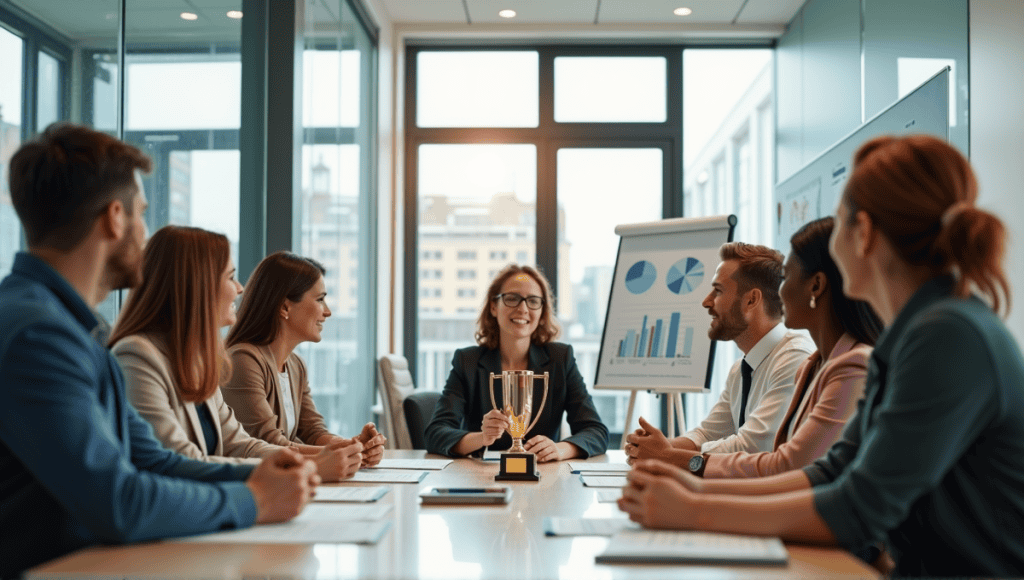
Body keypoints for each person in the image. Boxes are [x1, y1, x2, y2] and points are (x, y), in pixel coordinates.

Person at [619, 135, 1024, 577]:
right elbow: (833, 471)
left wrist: (694, 508)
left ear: (864, 233)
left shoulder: (947, 336)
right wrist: (694, 488)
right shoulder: (915, 334)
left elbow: (859, 509)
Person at [0, 124, 317, 579]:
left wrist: (265, 474)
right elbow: (117, 501)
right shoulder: (39, 336)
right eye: (142, 214)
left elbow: (154, 461)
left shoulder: (74, 331)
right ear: (114, 217)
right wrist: (257, 499)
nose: (147, 236)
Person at [625, 217, 881, 478]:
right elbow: (721, 438)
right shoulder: (805, 364)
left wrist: (672, 459)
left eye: (787, 277)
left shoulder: (812, 360)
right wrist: (660, 450)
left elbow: (770, 456)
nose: (779, 293)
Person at [109, 227, 365, 481]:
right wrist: (313, 467)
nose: (240, 288)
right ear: (198, 285)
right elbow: (179, 461)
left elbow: (242, 445)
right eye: (231, 277)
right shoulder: (137, 357)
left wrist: (320, 459)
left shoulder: (197, 361)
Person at [626, 242, 814, 464]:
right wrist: (655, 448)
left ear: (751, 300)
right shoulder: (741, 369)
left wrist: (666, 455)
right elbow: (706, 434)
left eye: (718, 290)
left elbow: (753, 447)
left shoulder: (794, 358)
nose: (706, 301)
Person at [424, 264, 608, 461]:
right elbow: (435, 434)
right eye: (512, 299)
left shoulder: (560, 359)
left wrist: (561, 449)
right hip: (484, 480)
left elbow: (596, 431)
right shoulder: (467, 362)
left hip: (544, 479)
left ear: (542, 311)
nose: (523, 309)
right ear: (494, 307)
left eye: (533, 301)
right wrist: (482, 438)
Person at [223, 251, 385, 466]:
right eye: (320, 299)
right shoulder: (244, 360)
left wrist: (352, 446)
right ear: (284, 307)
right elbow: (268, 442)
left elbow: (313, 430)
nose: (327, 312)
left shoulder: (295, 365)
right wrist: (343, 453)